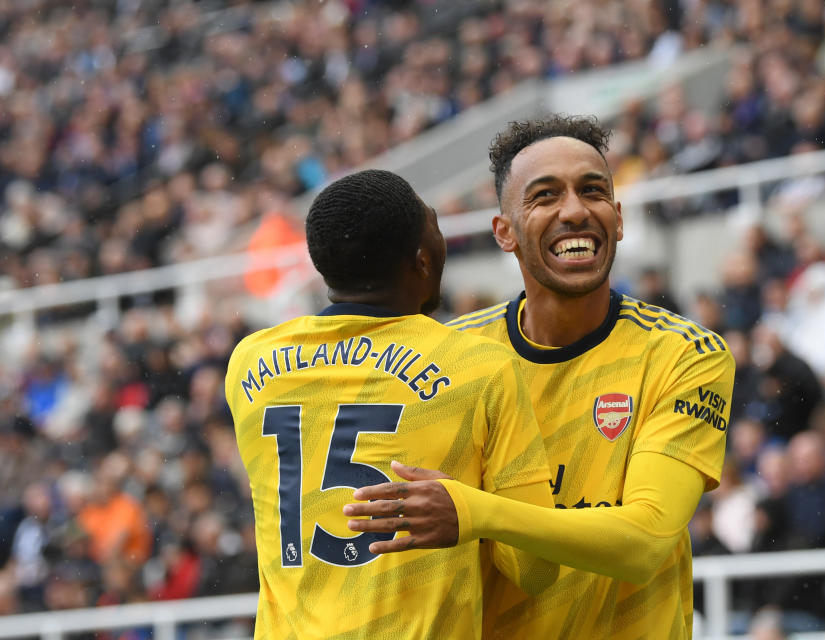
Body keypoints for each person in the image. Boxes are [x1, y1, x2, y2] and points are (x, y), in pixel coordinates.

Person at [345, 115, 735, 638]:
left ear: (618, 219)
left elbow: (645, 542)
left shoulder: (684, 354)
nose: (575, 211)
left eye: (592, 191)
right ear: (504, 232)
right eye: (545, 196)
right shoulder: (448, 359)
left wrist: (476, 511)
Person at [225, 169, 558, 639]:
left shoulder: (249, 363)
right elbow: (537, 569)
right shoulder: (479, 368)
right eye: (435, 225)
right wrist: (474, 511)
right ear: (423, 261)